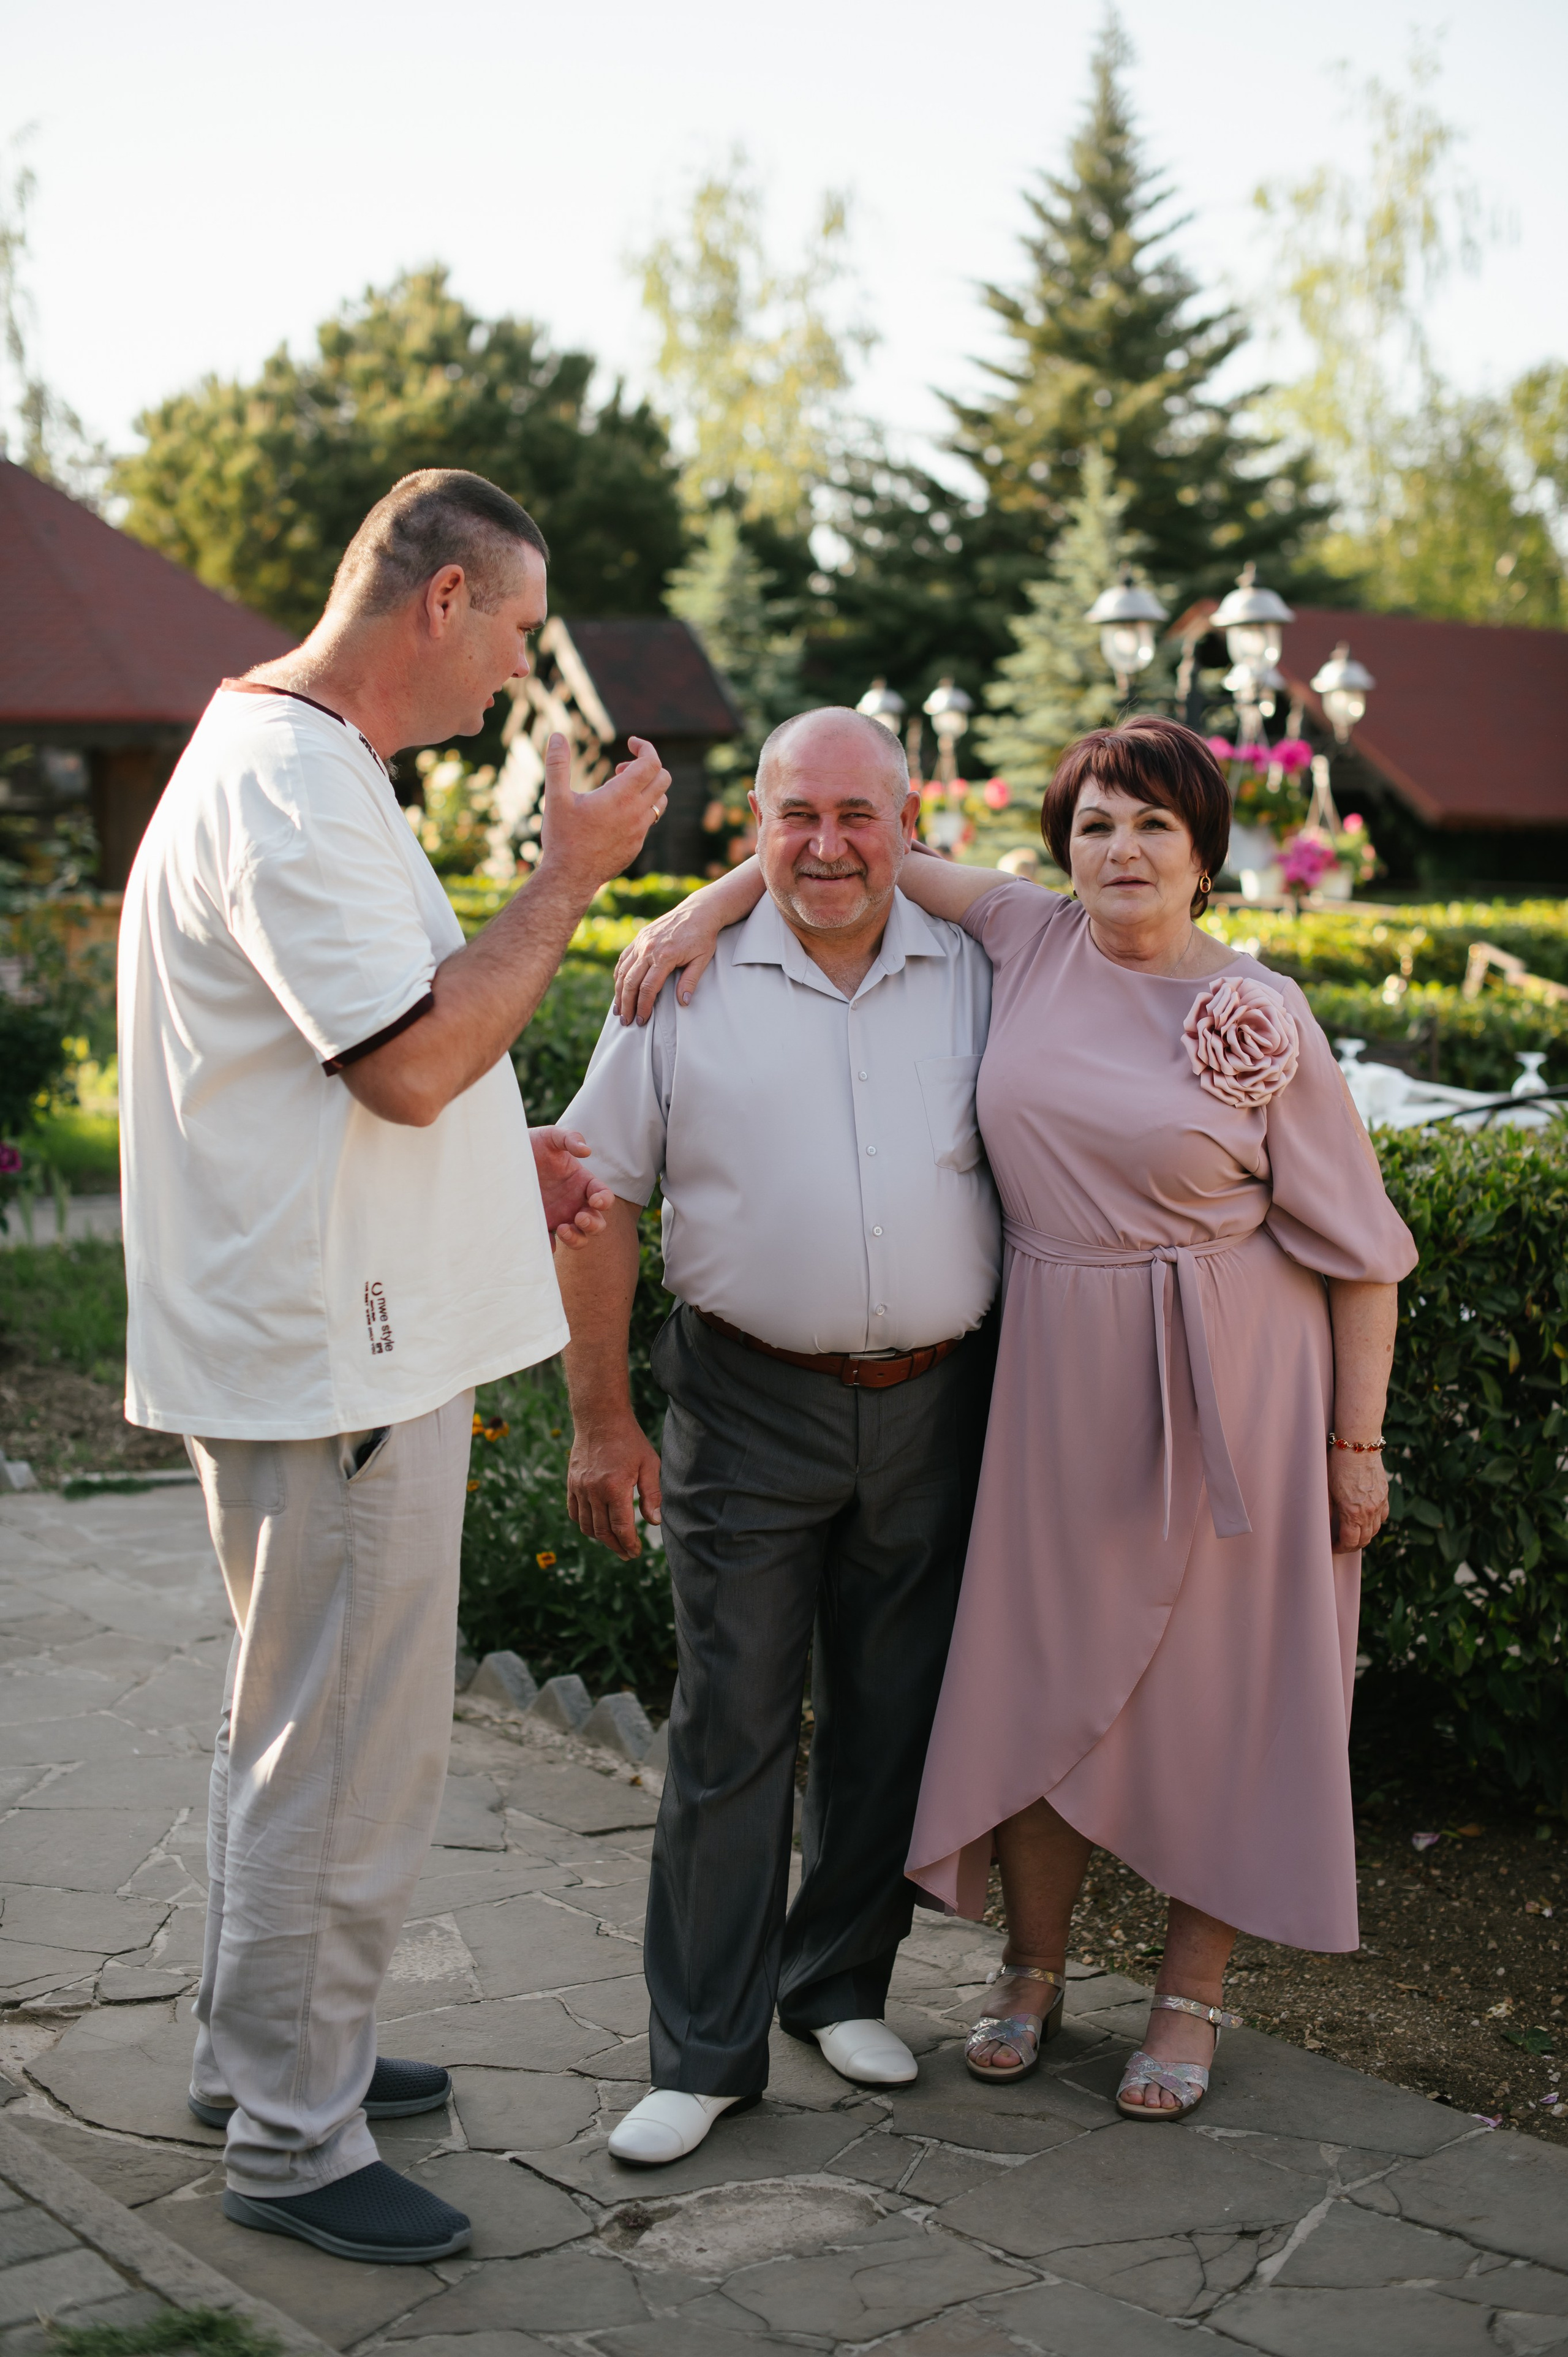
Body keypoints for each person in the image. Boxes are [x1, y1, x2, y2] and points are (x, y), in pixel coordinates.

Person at [614, 714, 1415, 2124]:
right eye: (1095, 824)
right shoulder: (1024, 937)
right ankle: (1030, 1969)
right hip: (1046, 1385)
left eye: (1153, 825)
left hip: (1232, 1388)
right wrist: (704, 902)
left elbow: (1363, 1255)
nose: (1121, 850)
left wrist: (1354, 1448)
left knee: (1219, 1696)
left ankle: (1186, 1993)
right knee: (1038, 1679)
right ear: (1062, 849)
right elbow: (849, 844)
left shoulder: (1261, 1010)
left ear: (1205, 852)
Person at [118, 470, 671, 2261]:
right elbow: (411, 1064)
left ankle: (260, 2058)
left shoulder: (297, 759)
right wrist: (569, 877)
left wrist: (504, 1155)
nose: (521, 671)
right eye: (517, 629)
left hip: (310, 1339)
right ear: (441, 600)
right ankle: (297, 2140)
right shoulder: (291, 782)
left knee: (292, 1728)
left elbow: (362, 1065)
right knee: (347, 1755)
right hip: (332, 1361)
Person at [556, 706, 999, 2165]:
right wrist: (601, 1418)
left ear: (908, 823)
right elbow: (595, 1201)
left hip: (936, 1402)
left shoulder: (981, 968)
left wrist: (724, 885)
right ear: (752, 824)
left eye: (857, 814)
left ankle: (836, 1982)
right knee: (731, 1721)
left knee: (890, 1713)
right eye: (792, 815)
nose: (825, 845)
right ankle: (701, 2050)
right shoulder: (676, 983)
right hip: (746, 1402)